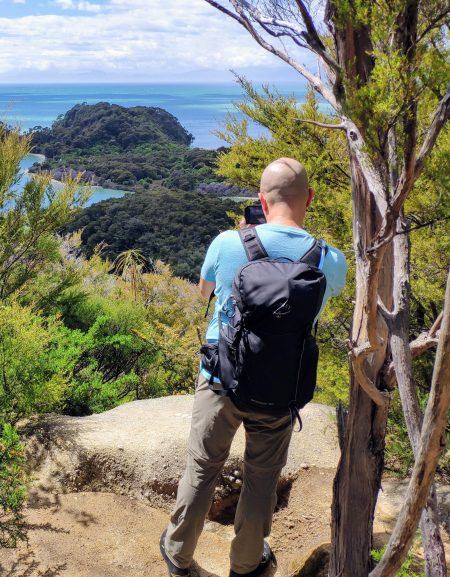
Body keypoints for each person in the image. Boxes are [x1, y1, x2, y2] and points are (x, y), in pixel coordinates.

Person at [159, 158, 347, 577]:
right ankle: (246, 563)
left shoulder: (228, 243)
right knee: (262, 479)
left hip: (220, 380)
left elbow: (205, 291)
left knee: (202, 467)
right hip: (280, 388)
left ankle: (178, 554)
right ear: (309, 199)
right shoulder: (330, 261)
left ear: (261, 199)